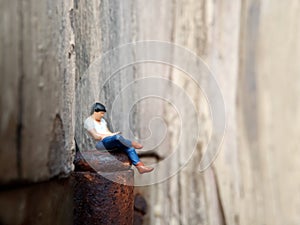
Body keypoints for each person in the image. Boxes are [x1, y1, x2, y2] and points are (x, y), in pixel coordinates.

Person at [84, 102, 154, 174]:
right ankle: (132, 143)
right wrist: (113, 135)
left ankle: (140, 167)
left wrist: (112, 135)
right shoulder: (89, 121)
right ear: (95, 112)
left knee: (129, 148)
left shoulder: (102, 121)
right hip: (101, 143)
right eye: (101, 113)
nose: (102, 115)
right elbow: (96, 136)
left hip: (109, 140)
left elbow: (108, 132)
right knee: (118, 138)